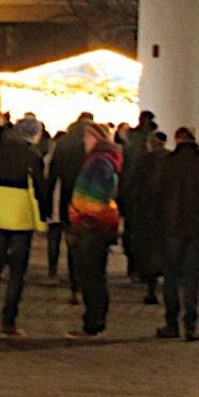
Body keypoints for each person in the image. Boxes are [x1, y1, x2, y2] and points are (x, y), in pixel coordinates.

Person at [0, 116, 47, 336]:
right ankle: (8, 321)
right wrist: (41, 223)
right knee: (16, 273)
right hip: (20, 220)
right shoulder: (32, 156)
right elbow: (38, 191)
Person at [157, 128, 199, 341]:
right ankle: (191, 324)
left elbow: (157, 192)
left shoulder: (168, 163)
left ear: (177, 140)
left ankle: (172, 322)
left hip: (172, 225)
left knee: (171, 275)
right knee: (192, 277)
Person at [65, 122, 122, 339]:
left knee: (91, 276)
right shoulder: (102, 161)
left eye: (87, 137)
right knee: (94, 276)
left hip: (91, 227)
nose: (84, 141)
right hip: (96, 226)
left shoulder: (99, 163)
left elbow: (94, 198)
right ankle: (95, 321)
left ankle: (93, 323)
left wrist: (80, 217)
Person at [47, 112, 93, 291]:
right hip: (87, 197)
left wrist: (48, 201)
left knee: (70, 237)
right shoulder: (92, 144)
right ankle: (79, 277)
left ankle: (72, 278)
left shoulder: (63, 143)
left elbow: (53, 174)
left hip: (66, 196)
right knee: (84, 239)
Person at [126, 132, 168, 305]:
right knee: (166, 250)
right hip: (166, 213)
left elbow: (133, 187)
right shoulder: (171, 160)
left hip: (146, 213)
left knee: (149, 251)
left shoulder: (143, 161)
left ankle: (151, 287)